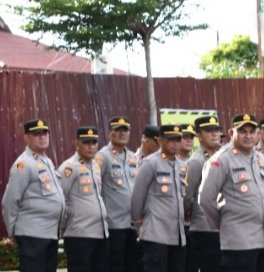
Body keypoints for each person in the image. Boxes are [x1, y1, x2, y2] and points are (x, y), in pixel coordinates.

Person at [199, 113, 264, 272]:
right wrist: (222, 222)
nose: (248, 136)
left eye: (252, 131)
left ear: (257, 133)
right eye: (243, 131)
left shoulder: (260, 158)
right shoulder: (221, 160)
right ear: (231, 133)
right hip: (239, 242)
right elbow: (205, 199)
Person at [2, 118, 66, 272]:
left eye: (45, 133)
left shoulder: (47, 162)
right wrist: (13, 232)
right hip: (32, 234)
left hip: (49, 234)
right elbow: (10, 200)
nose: (42, 137)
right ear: (26, 138)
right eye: (37, 134)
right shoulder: (24, 164)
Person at [131, 124, 187, 272]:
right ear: (161, 141)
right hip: (156, 234)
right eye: (171, 140)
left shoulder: (182, 166)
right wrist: (139, 223)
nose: (175, 143)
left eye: (178, 139)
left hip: (177, 235)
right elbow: (137, 197)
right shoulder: (150, 163)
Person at [95, 115, 143, 272]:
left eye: (125, 131)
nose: (122, 134)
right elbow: (96, 188)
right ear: (110, 133)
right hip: (114, 224)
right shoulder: (102, 157)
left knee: (132, 265)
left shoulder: (132, 158)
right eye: (118, 130)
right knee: (115, 266)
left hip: (132, 224)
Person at [59, 127, 110, 272]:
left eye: (94, 142)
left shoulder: (95, 166)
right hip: (79, 235)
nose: (91, 146)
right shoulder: (69, 168)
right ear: (77, 144)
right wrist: (64, 227)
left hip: (100, 233)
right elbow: (60, 200)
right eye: (86, 142)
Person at [184, 114, 223, 272]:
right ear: (198, 136)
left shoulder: (223, 156)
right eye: (209, 131)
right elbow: (186, 195)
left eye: (216, 130)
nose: (214, 134)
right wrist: (189, 213)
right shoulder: (196, 161)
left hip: (223, 227)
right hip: (204, 228)